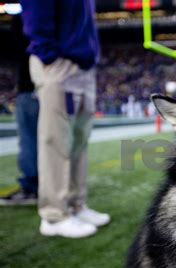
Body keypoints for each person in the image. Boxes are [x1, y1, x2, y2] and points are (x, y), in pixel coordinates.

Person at [21, 0, 110, 238]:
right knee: (56, 141)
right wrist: (50, 56)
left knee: (78, 141)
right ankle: (53, 215)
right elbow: (36, 14)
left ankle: (75, 204)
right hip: (60, 63)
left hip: (81, 65)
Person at [0, 15, 38, 206]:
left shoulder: (27, 16)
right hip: (39, 85)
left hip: (31, 86)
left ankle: (32, 185)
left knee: (30, 140)